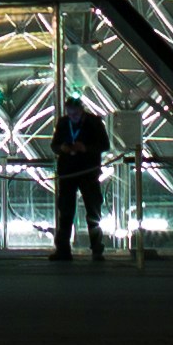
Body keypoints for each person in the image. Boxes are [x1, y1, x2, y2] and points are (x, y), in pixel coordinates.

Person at [47, 90, 109, 260]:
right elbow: (54, 145)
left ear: (81, 110)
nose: (72, 116)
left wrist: (85, 148)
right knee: (66, 211)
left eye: (74, 113)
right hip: (68, 171)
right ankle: (64, 250)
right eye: (69, 113)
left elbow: (104, 145)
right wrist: (62, 149)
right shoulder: (63, 122)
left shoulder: (94, 122)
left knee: (92, 211)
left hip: (87, 172)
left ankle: (96, 249)